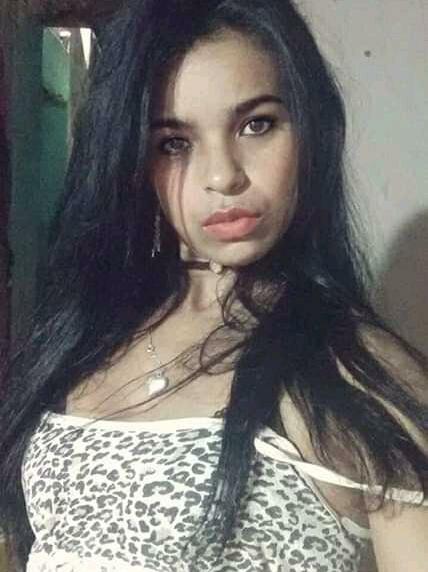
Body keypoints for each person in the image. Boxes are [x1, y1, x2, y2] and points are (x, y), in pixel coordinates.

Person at [1, 0, 427, 570]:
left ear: (312, 132)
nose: (223, 175)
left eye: (257, 124)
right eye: (174, 143)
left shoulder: (358, 372)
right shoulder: (87, 337)